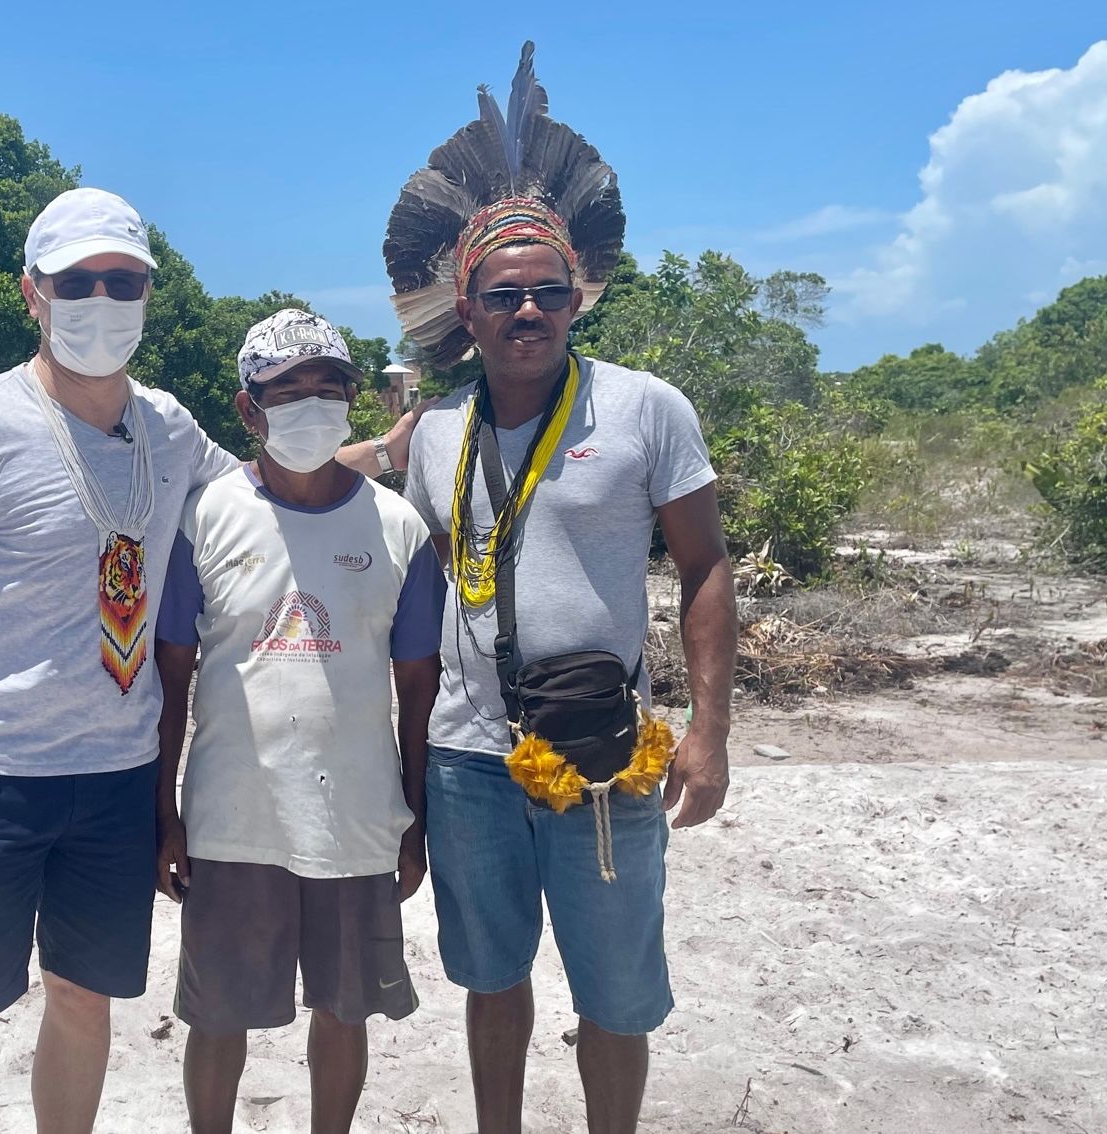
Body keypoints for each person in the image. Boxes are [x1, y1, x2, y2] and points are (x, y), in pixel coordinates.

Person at [0, 189, 422, 1134]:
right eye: (76, 281)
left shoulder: (167, 429)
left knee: (84, 1006)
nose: (101, 299)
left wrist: (381, 446)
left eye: (122, 281)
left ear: (148, 295)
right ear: (30, 293)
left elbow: (279, 477)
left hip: (117, 780)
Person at [379, 45, 739, 1134]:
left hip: (605, 753)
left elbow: (706, 566)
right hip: (465, 760)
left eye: (547, 291)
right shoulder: (434, 432)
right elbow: (408, 587)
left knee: (616, 992)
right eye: (503, 295)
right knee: (490, 981)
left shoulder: (646, 410)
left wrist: (711, 730)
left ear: (578, 293)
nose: (526, 311)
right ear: (466, 305)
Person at [152, 309, 443, 1134]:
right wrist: (162, 809)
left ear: (355, 399)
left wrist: (415, 820)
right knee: (216, 1016)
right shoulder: (203, 516)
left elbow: (416, 687)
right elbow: (171, 676)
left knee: (343, 1012)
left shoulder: (399, 529)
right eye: (287, 390)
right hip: (228, 818)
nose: (310, 404)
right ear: (249, 409)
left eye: (328, 387)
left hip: (354, 816)